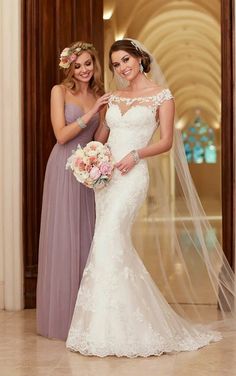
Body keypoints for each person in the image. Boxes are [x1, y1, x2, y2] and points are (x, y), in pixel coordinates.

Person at [66, 39, 236, 357]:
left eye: (126, 60)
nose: (122, 67)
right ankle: (104, 328)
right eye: (115, 64)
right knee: (108, 245)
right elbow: (102, 136)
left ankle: (128, 329)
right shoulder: (113, 97)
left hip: (132, 176)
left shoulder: (162, 96)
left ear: (140, 59)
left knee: (108, 240)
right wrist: (89, 158)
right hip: (105, 177)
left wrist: (135, 154)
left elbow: (167, 141)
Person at [37, 41, 110, 341]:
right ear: (69, 66)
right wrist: (92, 109)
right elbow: (61, 134)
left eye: (88, 64)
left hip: (87, 169)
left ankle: (86, 318)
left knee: (86, 235)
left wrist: (107, 117)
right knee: (64, 237)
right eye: (77, 65)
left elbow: (99, 138)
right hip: (63, 167)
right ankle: (62, 318)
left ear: (95, 65)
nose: (83, 70)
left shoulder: (98, 94)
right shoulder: (60, 91)